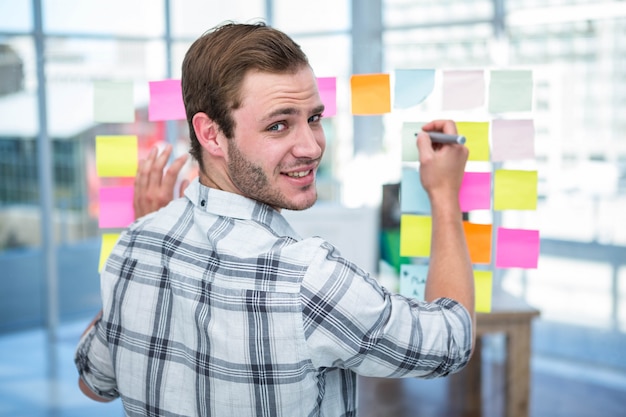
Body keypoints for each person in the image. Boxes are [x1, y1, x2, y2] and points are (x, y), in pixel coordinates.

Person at [75, 22, 475, 417]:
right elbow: (452, 341)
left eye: (314, 118)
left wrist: (149, 232)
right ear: (211, 134)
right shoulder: (308, 278)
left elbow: (93, 382)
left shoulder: (134, 243)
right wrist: (443, 195)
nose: (312, 146)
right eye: (279, 125)